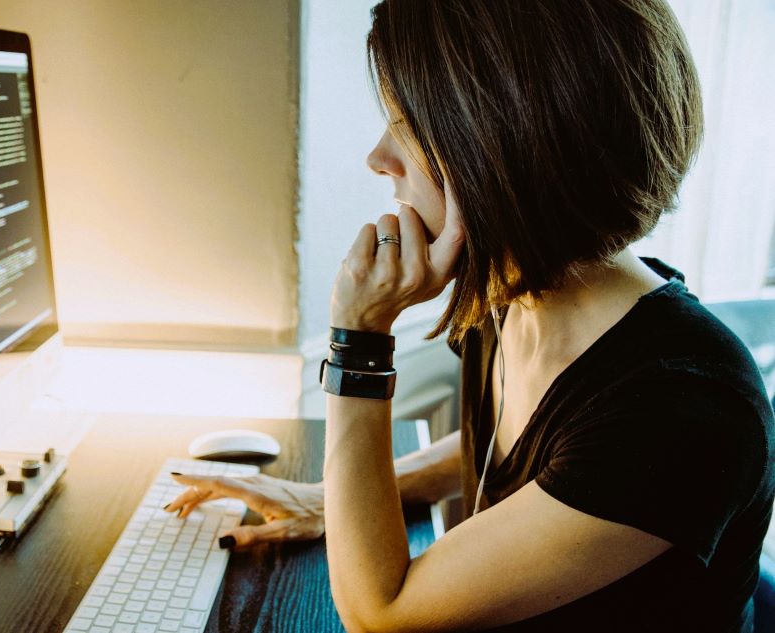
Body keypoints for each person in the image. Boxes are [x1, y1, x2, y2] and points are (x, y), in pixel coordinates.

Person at [166, 1, 775, 630]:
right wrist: (330, 504)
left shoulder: (682, 410)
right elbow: (553, 459)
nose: (379, 158)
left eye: (408, 124)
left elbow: (381, 613)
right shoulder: (514, 298)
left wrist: (359, 338)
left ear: (510, 143)